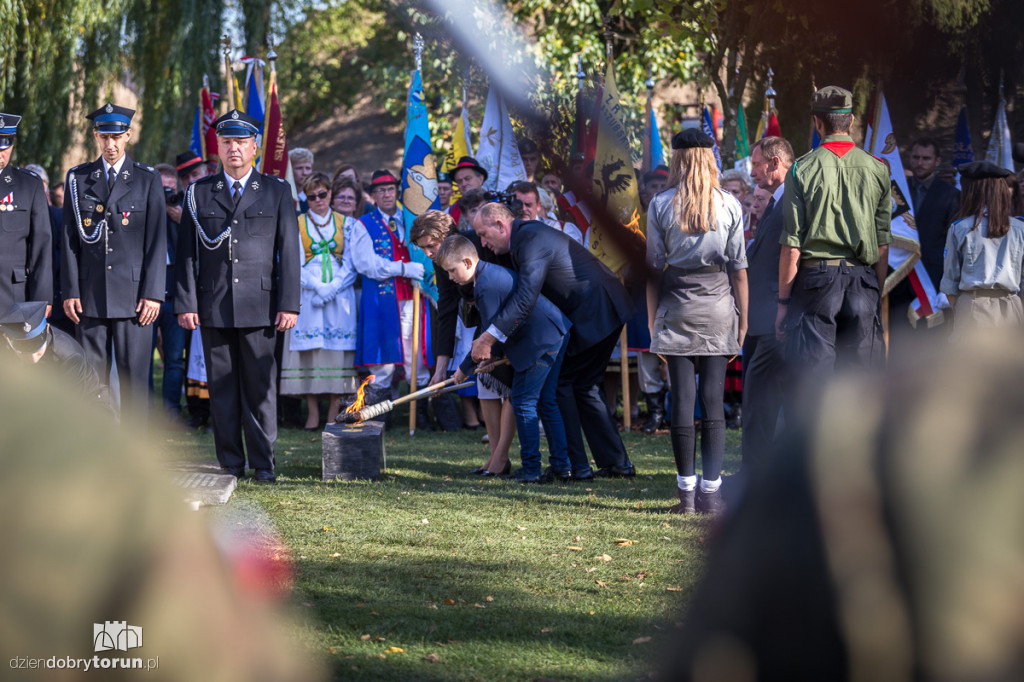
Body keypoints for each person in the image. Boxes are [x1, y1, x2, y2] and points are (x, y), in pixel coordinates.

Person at [175, 109, 300, 482]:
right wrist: (185, 303)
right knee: (223, 390)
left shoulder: (277, 191)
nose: (233, 148)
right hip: (213, 306)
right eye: (226, 141)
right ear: (218, 146)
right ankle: (231, 462)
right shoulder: (198, 193)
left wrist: (289, 303)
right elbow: (186, 253)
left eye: (241, 141)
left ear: (255, 147)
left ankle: (263, 464)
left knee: (260, 391)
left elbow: (289, 253)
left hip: (261, 307)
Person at [471, 202, 637, 480]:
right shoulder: (524, 238)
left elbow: (526, 297)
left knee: (562, 385)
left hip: (597, 310)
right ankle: (610, 463)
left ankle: (573, 465)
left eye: (484, 235)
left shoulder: (530, 238)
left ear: (500, 225)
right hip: (600, 309)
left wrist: (489, 337)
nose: (483, 243)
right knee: (582, 386)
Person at [646, 129, 748, 515]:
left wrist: (654, 322)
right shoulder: (731, 204)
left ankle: (686, 496)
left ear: (677, 160)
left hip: (676, 305)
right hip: (720, 305)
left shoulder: (660, 204)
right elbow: (739, 270)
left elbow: (654, 269)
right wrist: (742, 323)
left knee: (682, 400)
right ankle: (712, 494)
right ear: (711, 159)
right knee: (713, 401)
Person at [777, 85, 890, 384]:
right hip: (863, 280)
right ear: (851, 121)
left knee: (815, 384)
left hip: (816, 284)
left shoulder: (801, 169)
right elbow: (882, 244)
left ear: (817, 122)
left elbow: (792, 245)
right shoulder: (878, 169)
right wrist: (875, 292)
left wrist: (783, 305)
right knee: (861, 383)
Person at [61, 102, 166, 420]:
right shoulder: (78, 179)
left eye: (117, 136)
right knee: (93, 385)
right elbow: (69, 240)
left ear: (128, 136)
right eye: (104, 136)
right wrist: (71, 290)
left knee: (135, 384)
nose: (111, 144)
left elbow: (156, 241)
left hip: (135, 299)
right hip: (90, 298)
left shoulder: (147, 179)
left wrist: (153, 293)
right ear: (95, 136)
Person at [441, 235, 572, 483]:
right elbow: (497, 332)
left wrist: (463, 369)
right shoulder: (487, 276)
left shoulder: (485, 284)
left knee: (523, 401)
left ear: (468, 262)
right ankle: (561, 467)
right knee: (545, 400)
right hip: (554, 332)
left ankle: (532, 469)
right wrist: (487, 359)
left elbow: (490, 333)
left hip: (543, 339)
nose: (450, 277)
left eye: (452, 270)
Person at [411, 210, 516, 475]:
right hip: (482, 324)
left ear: (447, 236)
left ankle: (501, 458)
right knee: (486, 387)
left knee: (510, 389)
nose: (428, 253)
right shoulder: (440, 260)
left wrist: (492, 340)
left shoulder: (479, 243)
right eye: (423, 248)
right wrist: (440, 369)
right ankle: (494, 457)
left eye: (431, 246)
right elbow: (446, 310)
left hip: (508, 320)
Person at [281, 171, 358, 429]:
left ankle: (333, 410)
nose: (318, 200)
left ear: (330, 193)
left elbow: (352, 261)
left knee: (338, 352)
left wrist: (333, 287)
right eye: (312, 196)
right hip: (308, 293)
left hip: (339, 295)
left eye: (322, 194)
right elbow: (290, 260)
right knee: (310, 352)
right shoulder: (297, 222)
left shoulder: (346, 224)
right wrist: (316, 286)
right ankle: (312, 412)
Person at [350, 169, 431, 408]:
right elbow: (367, 265)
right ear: (373, 195)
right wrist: (404, 269)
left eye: (390, 189)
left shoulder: (411, 220)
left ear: (397, 191)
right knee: (382, 358)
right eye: (381, 190)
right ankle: (379, 416)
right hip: (381, 301)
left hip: (412, 297)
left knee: (415, 355)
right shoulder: (363, 224)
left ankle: (422, 415)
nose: (386, 194)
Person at [741, 137, 794, 476]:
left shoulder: (791, 199)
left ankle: (756, 477)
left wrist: (782, 308)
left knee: (760, 403)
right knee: (762, 403)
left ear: (775, 163)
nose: (753, 173)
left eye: (757, 165)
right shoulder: (778, 200)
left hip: (777, 318)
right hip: (766, 317)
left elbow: (792, 255)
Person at [889, 136, 960, 347]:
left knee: (930, 347)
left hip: (932, 283)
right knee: (898, 342)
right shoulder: (897, 191)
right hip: (898, 278)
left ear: (937, 161)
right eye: (916, 157)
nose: (920, 163)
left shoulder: (951, 195)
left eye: (926, 158)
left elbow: (953, 243)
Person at [939, 160, 1024, 333]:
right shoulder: (1020, 228)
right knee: (1008, 360)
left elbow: (950, 284)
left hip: (972, 308)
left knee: (972, 359)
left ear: (971, 192)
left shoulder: (959, 228)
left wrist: (963, 311)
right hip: (1011, 309)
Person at [0, 300, 106, 404]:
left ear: (46, 329)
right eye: (23, 349)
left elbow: (67, 408)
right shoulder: (4, 349)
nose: (33, 357)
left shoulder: (68, 356)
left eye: (37, 346)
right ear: (6, 338)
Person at [0, 113, 52, 316]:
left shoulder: (28, 185)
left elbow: (41, 246)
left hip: (12, 297)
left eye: (5, 145)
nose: (0, 152)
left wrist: (42, 299)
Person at [175, 150, 212, 429]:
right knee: (192, 353)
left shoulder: (212, 195)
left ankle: (217, 410)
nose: (191, 180)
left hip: (214, 285)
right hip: (190, 288)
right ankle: (198, 409)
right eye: (185, 177)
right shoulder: (176, 203)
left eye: (195, 174)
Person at [513, 180, 584, 244]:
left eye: (528, 205)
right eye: (518, 205)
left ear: (538, 206)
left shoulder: (563, 229)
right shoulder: (506, 231)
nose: (523, 209)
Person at [289, 147, 314, 213]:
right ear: (290, 170)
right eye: (299, 168)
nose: (304, 173)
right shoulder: (282, 198)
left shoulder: (317, 199)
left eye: (308, 168)